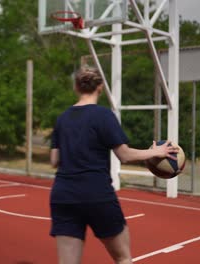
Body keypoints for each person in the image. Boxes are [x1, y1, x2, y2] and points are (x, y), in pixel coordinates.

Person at [49, 68, 178, 264]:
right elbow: (124, 155)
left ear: (76, 87)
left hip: (64, 195)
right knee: (123, 258)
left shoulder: (63, 118)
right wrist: (155, 152)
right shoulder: (103, 115)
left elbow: (54, 161)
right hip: (96, 194)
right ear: (100, 87)